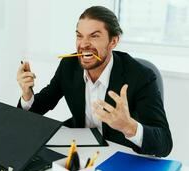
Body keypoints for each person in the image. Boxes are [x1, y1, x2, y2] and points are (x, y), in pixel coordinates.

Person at [16, 6, 172, 157]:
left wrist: (128, 127)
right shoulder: (69, 65)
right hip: (79, 151)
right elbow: (40, 106)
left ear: (113, 41)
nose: (83, 44)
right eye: (79, 36)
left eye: (94, 36)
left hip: (120, 154)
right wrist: (27, 94)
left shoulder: (141, 76)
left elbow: (164, 143)